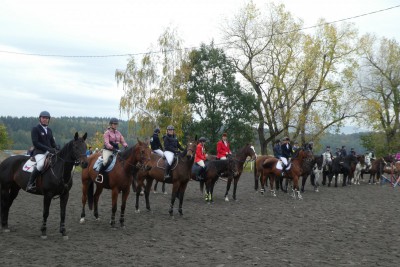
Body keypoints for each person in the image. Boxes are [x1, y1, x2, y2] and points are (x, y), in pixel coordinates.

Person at [26, 111, 58, 192]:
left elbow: (52, 143)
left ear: (48, 120)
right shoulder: (35, 129)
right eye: (43, 118)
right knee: (40, 165)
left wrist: (56, 147)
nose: (45, 119)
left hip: (49, 152)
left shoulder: (49, 130)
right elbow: (36, 143)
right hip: (39, 152)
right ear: (40, 118)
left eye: (46, 118)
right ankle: (30, 184)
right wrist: (48, 149)